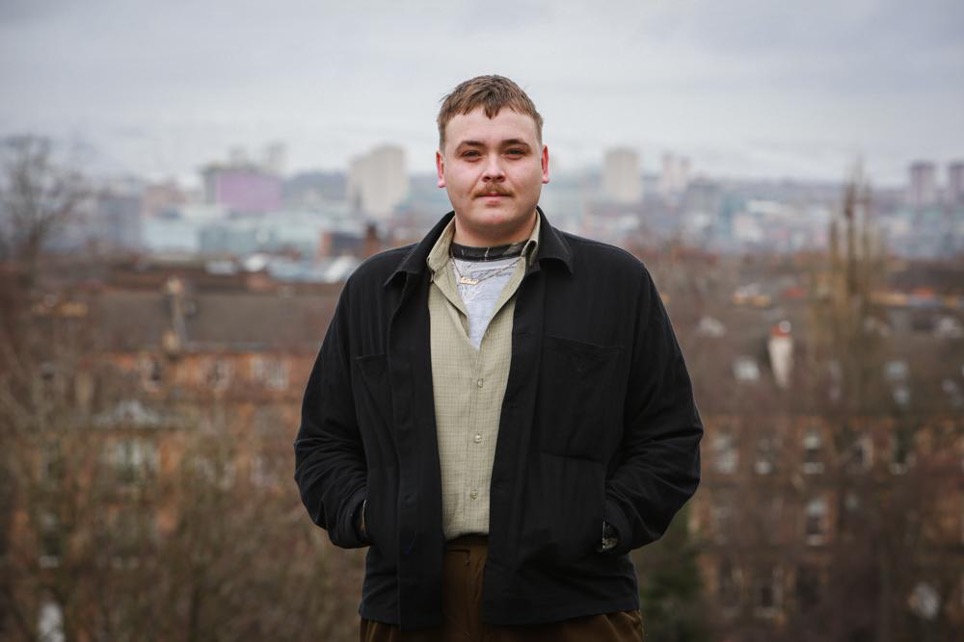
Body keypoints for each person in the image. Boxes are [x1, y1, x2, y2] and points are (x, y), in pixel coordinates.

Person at [294, 74, 702, 641]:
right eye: (471, 153)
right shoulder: (375, 292)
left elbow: (670, 438)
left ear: (544, 162)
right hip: (410, 606)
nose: (493, 170)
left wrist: (602, 525)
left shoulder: (615, 284)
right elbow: (322, 443)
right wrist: (369, 516)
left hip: (575, 607)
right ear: (442, 170)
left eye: (513, 151)